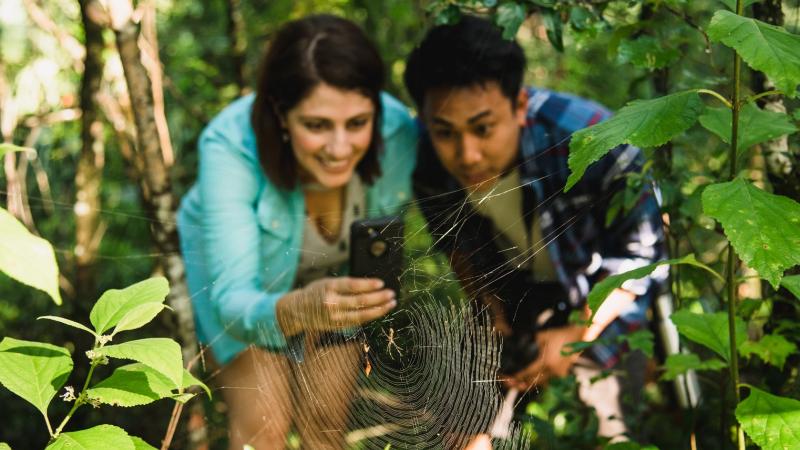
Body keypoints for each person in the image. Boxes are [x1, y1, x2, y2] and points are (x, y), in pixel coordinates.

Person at [404, 15, 665, 442]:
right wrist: (498, 326)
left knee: (609, 427)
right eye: (445, 132)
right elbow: (459, 250)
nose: (466, 154)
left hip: (602, 291)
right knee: (460, 423)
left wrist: (574, 336)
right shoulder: (425, 156)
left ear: (520, 105)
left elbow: (640, 262)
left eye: (483, 128)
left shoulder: (594, 144)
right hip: (515, 290)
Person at [177, 15, 417, 449]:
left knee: (326, 423)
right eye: (317, 125)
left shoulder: (399, 133)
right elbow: (232, 299)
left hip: (332, 286)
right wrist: (295, 311)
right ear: (280, 114)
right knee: (263, 423)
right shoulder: (229, 147)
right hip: (244, 285)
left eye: (358, 123)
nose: (340, 148)